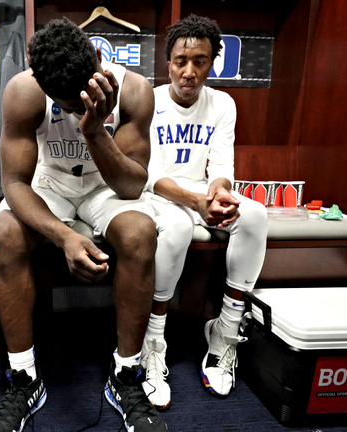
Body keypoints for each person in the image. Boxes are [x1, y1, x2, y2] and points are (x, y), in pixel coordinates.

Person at [0, 17, 167, 432]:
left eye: (81, 97)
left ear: (99, 59)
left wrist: (95, 129)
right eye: (67, 104)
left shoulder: (134, 90)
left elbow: (133, 185)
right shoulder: (24, 92)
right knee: (6, 231)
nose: (77, 108)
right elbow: (13, 183)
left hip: (106, 185)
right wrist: (64, 236)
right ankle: (24, 378)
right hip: (53, 185)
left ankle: (126, 375)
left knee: (140, 232)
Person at [139, 14, 268, 409]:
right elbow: (147, 173)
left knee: (256, 215)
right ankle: (153, 341)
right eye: (181, 61)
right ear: (168, 63)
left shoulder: (223, 104)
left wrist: (221, 193)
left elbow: (222, 166)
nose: (190, 71)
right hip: (159, 197)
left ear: (212, 62)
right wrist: (195, 201)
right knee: (176, 228)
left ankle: (224, 334)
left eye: (200, 61)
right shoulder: (149, 100)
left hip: (203, 197)